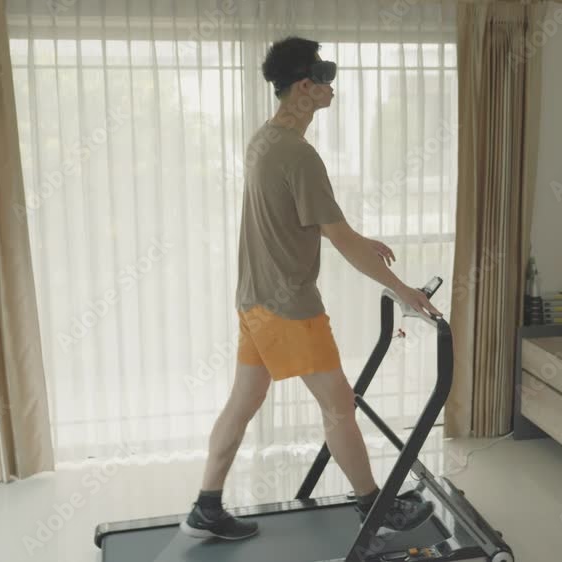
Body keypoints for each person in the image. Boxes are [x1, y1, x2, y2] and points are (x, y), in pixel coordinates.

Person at [181, 36, 442, 542]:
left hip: (254, 300)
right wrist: (405, 290)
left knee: (242, 401)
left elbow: (299, 219)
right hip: (289, 307)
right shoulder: (300, 155)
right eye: (325, 76)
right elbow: (339, 239)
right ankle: (375, 508)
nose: (332, 86)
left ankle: (206, 508)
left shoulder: (264, 140)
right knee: (339, 406)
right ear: (305, 86)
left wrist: (357, 238)